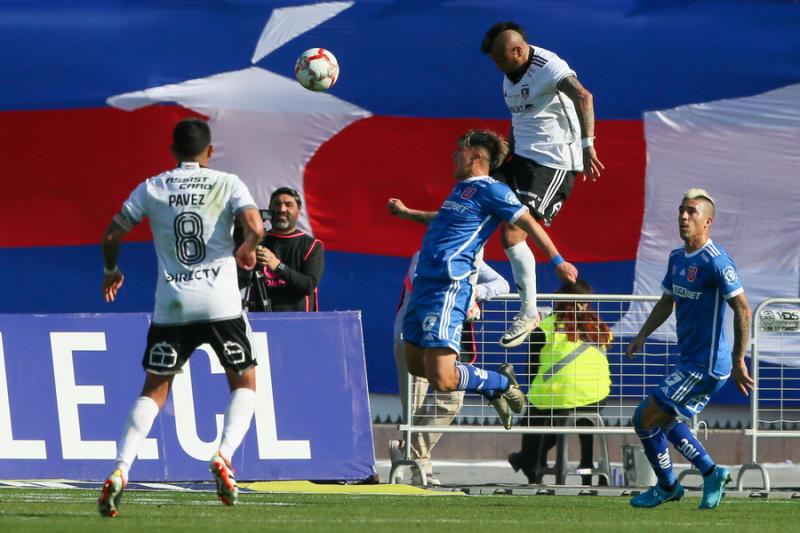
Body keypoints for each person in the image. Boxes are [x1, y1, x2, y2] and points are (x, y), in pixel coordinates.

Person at [98, 118, 264, 517]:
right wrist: (246, 248)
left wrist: (111, 270)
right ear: (210, 152)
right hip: (221, 304)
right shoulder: (227, 182)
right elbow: (256, 227)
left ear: (173, 151)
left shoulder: (153, 186)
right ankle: (223, 456)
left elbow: (111, 235)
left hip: (172, 306)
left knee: (154, 390)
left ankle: (121, 470)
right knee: (245, 381)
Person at [403, 129, 577, 430]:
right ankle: (490, 384)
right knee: (416, 366)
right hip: (424, 284)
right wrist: (406, 213)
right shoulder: (459, 190)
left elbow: (528, 224)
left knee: (444, 380)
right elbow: (440, 220)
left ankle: (498, 382)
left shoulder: (494, 191)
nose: (453, 156)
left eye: (459, 151)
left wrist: (557, 259)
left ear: (475, 156)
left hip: (448, 286)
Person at [625, 188, 753, 509]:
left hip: (707, 364)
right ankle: (710, 471)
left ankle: (668, 486)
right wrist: (642, 334)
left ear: (707, 221)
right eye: (681, 210)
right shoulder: (677, 258)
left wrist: (739, 359)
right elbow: (667, 301)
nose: (683, 216)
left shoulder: (717, 262)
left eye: (691, 211)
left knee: (643, 418)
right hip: (691, 361)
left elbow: (743, 309)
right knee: (664, 420)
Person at [480, 21, 604, 349]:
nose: (497, 66)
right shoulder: (510, 77)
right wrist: (506, 154)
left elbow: (584, 96)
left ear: (518, 51)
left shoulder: (549, 67)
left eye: (500, 59)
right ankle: (470, 287)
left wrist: (588, 144)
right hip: (521, 159)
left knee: (513, 233)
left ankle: (529, 311)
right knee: (475, 198)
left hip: (553, 163)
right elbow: (519, 118)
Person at [390, 250, 510, 485]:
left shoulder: (472, 257)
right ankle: (421, 470)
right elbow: (423, 288)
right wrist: (464, 299)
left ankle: (407, 451)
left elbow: (502, 284)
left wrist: (475, 293)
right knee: (415, 409)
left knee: (451, 402)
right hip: (414, 339)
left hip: (450, 344)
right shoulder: (426, 255)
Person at [507, 279, 612, 485]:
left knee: (536, 418)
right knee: (567, 417)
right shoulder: (600, 328)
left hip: (555, 395)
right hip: (596, 397)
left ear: (560, 299)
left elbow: (531, 369)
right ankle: (587, 469)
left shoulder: (545, 327)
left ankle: (531, 465)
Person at [241, 187, 324, 312]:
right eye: (277, 204)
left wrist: (278, 266)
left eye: (289, 205)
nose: (281, 209)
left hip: (299, 322)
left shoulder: (312, 245)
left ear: (299, 211)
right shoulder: (256, 242)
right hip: (260, 321)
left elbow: (309, 285)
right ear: (269, 209)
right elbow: (239, 282)